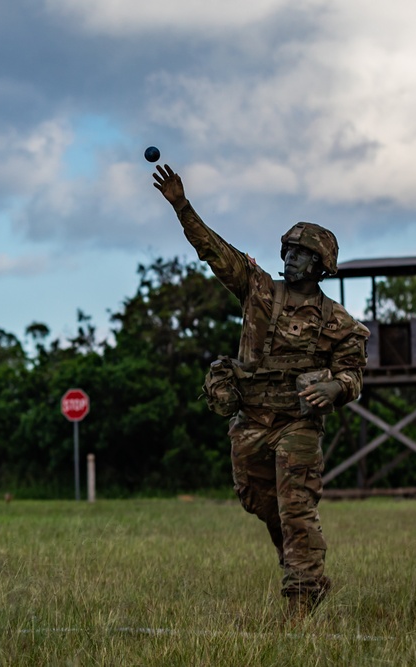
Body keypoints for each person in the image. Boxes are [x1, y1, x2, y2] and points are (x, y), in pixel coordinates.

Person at [152, 164, 370, 620]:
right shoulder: (258, 291)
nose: (290, 258)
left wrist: (333, 386)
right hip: (249, 421)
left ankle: (302, 598)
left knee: (297, 508)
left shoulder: (338, 321)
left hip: (297, 424)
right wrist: (181, 206)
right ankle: (296, 559)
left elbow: (352, 375)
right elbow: (215, 251)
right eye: (288, 249)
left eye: (301, 253)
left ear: (320, 265)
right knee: (258, 501)